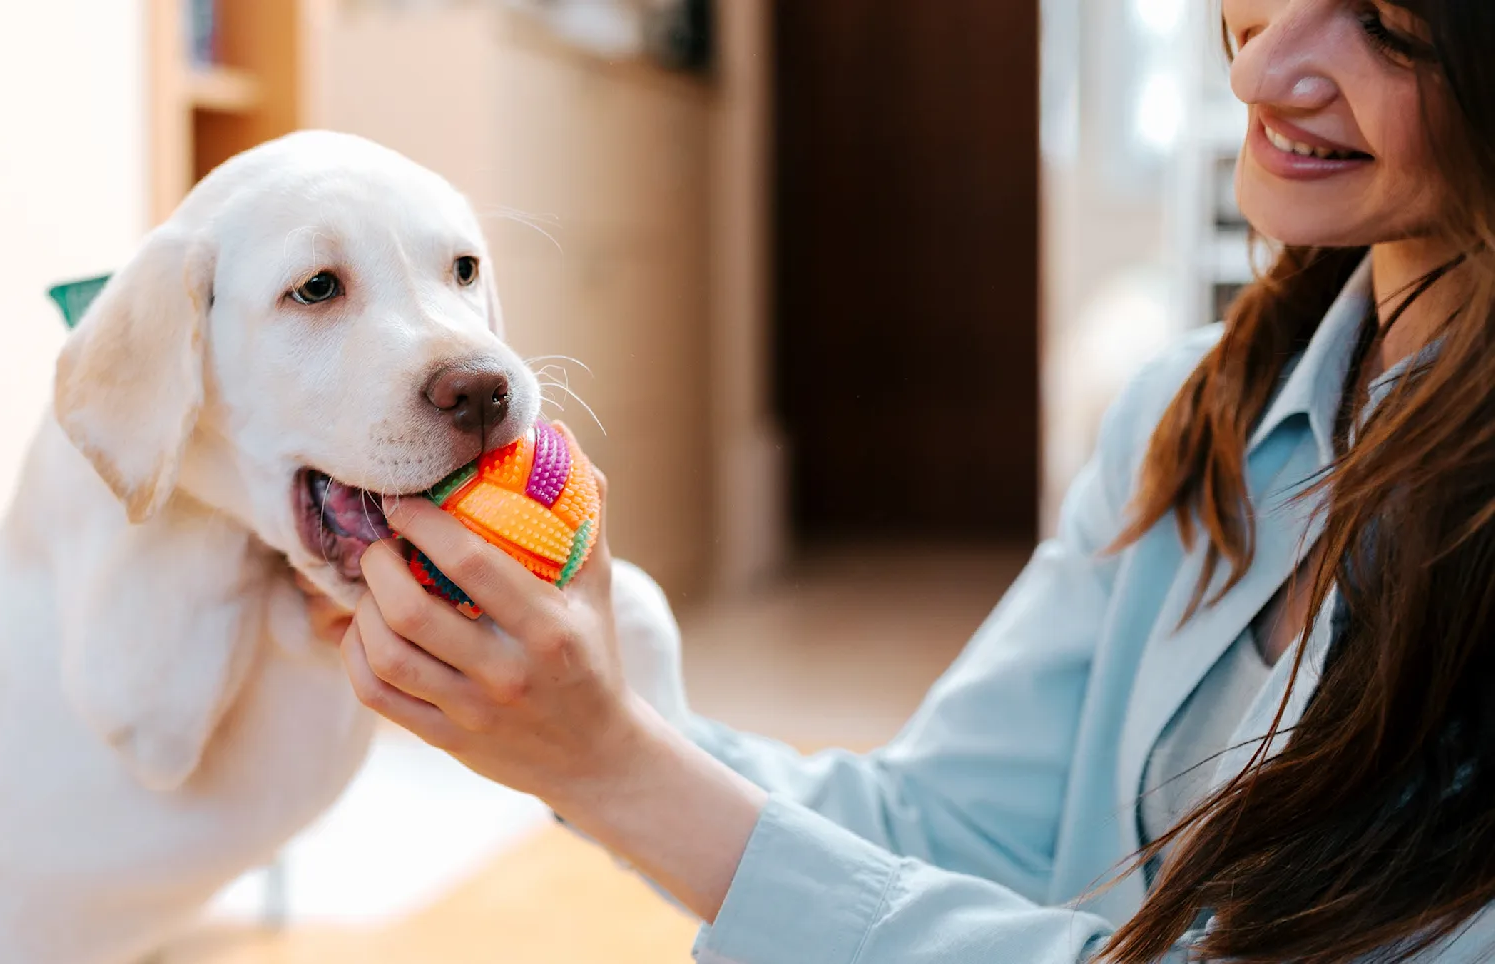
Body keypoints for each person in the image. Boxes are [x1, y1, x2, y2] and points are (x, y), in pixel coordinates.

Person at [312, 0, 1495, 960]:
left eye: (1387, 28)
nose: (1261, 66)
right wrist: (590, 721)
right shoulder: (1190, 417)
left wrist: (611, 766)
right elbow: (945, 831)